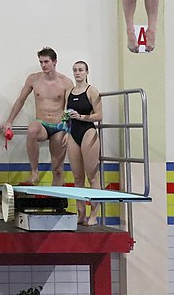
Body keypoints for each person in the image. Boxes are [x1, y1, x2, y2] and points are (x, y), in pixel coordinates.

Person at [2, 47, 73, 186]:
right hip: (42, 124)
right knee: (32, 130)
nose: (43, 65)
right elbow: (20, 100)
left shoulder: (66, 82)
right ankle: (34, 172)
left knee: (58, 170)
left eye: (46, 61)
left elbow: (69, 108)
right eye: (41, 62)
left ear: (55, 62)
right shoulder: (34, 79)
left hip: (59, 126)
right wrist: (9, 121)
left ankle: (56, 200)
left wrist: (68, 130)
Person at [64, 61, 104, 226]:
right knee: (77, 177)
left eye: (80, 70)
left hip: (88, 132)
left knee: (92, 176)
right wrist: (66, 131)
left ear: (87, 72)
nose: (77, 73)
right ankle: (81, 214)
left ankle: (94, 215)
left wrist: (81, 117)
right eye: (75, 70)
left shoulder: (92, 91)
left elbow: (99, 115)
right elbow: (65, 114)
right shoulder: (69, 92)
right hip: (73, 133)